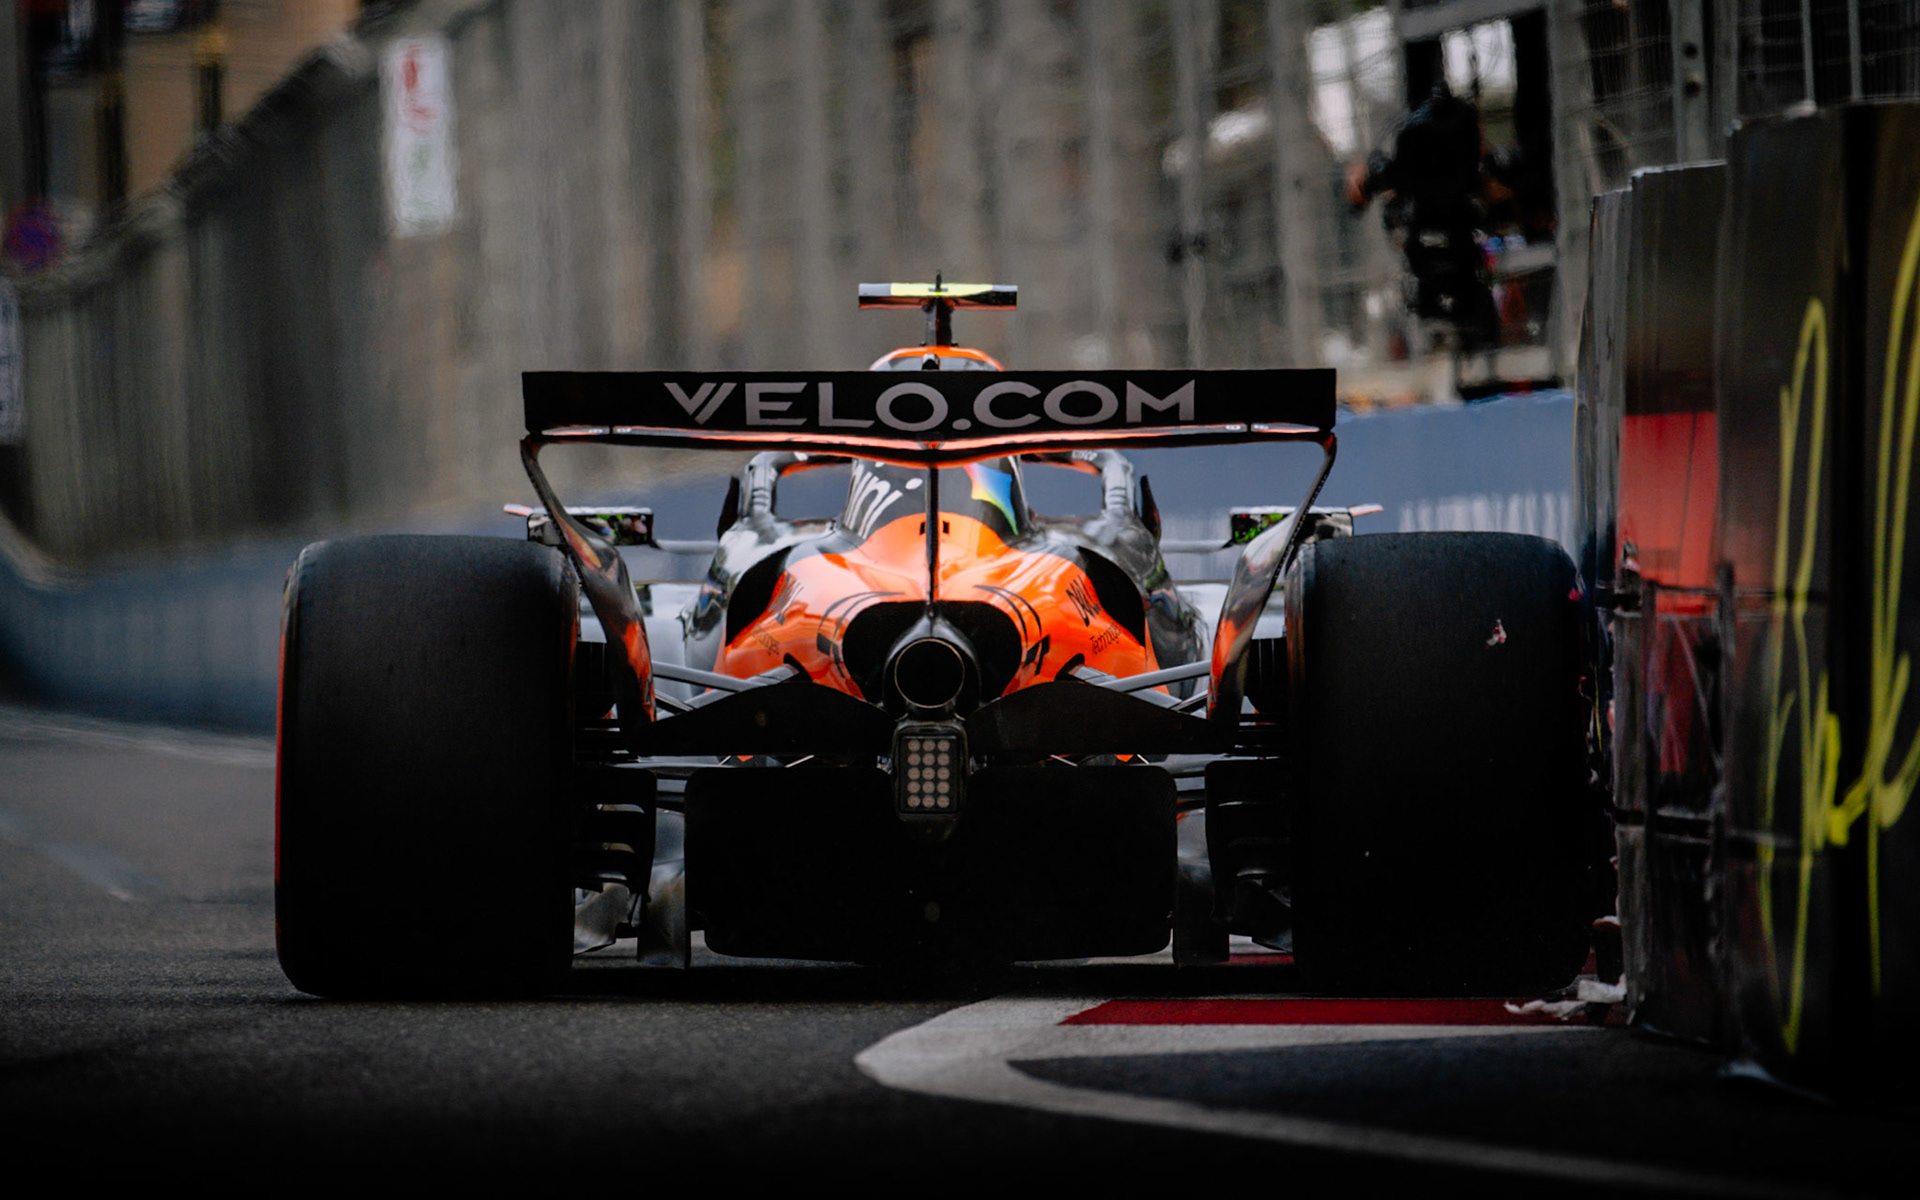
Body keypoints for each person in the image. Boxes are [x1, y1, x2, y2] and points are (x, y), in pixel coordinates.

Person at [1347, 82, 1498, 350]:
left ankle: (1460, 326)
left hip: (1451, 255)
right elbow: (1363, 192)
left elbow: (1365, 190)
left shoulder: (1409, 167)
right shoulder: (1432, 168)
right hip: (1444, 254)